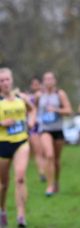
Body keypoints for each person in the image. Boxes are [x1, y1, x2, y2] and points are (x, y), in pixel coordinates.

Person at [0, 68, 36, 227]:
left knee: (20, 178)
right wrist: (1, 123)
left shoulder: (21, 98)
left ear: (12, 80)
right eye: (1, 81)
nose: (5, 83)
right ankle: (2, 210)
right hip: (3, 144)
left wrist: (31, 122)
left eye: (7, 79)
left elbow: (32, 109)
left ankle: (21, 217)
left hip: (21, 141)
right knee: (3, 184)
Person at [37, 72, 72, 196]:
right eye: (46, 79)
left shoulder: (60, 94)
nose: (48, 81)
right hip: (44, 130)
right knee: (49, 155)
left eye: (51, 78)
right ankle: (49, 186)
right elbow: (33, 110)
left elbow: (69, 110)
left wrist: (56, 110)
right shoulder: (39, 95)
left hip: (58, 130)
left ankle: (56, 181)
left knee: (56, 160)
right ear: (43, 82)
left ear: (55, 81)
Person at [27, 77, 46, 181]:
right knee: (38, 151)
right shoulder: (28, 98)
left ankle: (46, 170)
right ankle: (42, 173)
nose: (35, 86)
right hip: (34, 126)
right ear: (31, 86)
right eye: (33, 84)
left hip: (45, 125)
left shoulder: (45, 96)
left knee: (44, 151)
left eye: (37, 84)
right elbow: (32, 108)